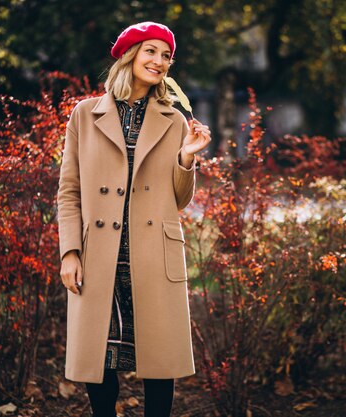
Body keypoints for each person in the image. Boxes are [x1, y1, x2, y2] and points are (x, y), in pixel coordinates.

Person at [57, 21, 211, 417]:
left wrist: (187, 157)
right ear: (130, 56)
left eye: (166, 56)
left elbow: (177, 199)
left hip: (150, 252)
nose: (159, 62)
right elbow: (69, 191)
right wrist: (70, 252)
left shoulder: (173, 120)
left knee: (159, 361)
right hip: (100, 252)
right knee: (99, 357)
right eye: (151, 52)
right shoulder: (84, 114)